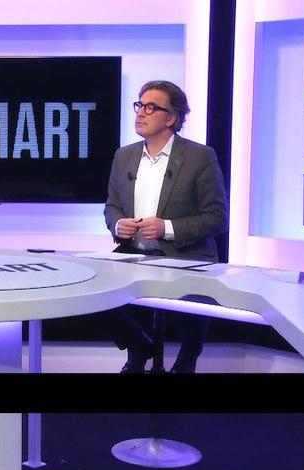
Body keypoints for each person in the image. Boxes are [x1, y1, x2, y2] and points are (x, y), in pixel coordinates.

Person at [104, 80, 228, 373]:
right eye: (139, 105)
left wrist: (167, 228)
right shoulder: (124, 156)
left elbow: (217, 217)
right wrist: (118, 224)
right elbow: (111, 206)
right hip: (133, 256)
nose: (140, 112)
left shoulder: (200, 157)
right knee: (91, 290)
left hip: (185, 257)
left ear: (171, 118)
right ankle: (138, 345)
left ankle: (187, 357)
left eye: (151, 107)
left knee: (194, 296)